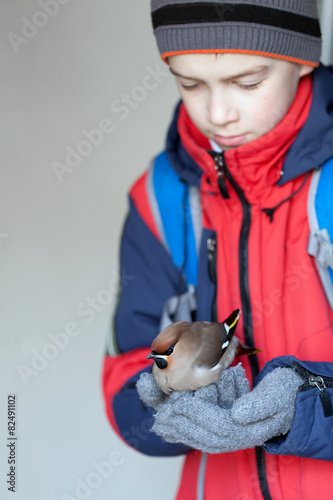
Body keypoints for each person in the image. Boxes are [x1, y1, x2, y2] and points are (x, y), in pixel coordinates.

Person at [102, 1, 333, 498]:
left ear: (304, 58)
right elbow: (126, 377)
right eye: (189, 84)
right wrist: (160, 405)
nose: (218, 114)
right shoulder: (161, 200)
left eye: (247, 82)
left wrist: (310, 407)